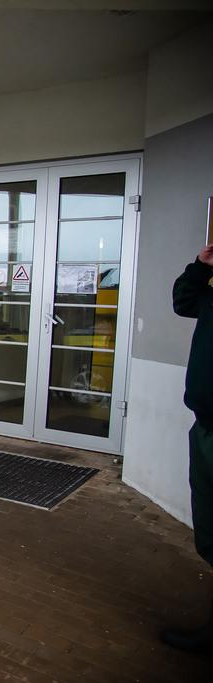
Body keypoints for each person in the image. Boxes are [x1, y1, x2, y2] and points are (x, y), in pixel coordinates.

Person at [163, 243, 213, 652]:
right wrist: (200, 265)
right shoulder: (209, 290)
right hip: (206, 426)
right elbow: (183, 301)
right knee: (210, 531)